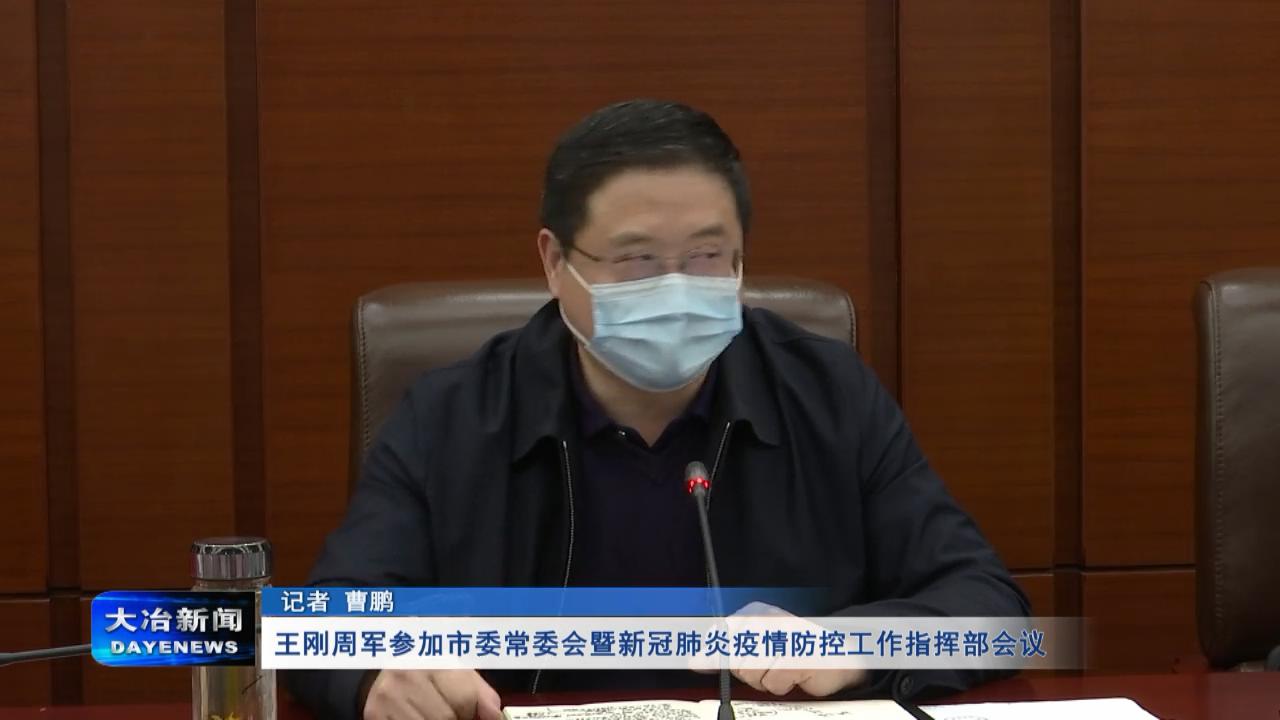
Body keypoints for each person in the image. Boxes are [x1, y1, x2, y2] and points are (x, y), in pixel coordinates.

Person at [284, 99, 1029, 720]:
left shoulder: (827, 394)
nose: (676, 287)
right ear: (554, 261)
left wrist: (852, 645)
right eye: (637, 260)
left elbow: (991, 609)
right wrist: (375, 673)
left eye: (707, 256)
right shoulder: (452, 415)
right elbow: (320, 624)